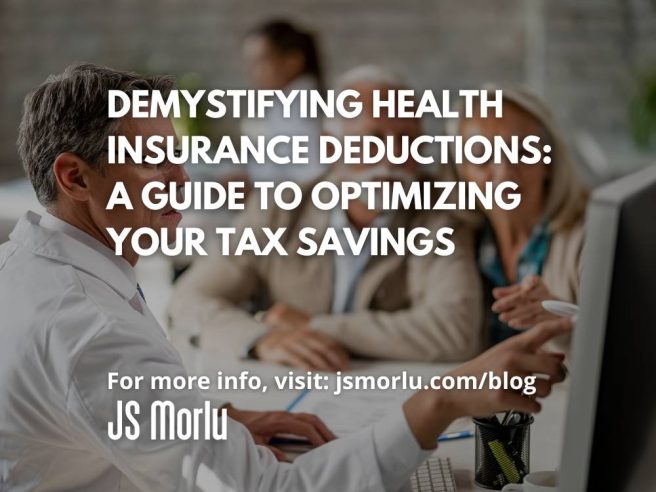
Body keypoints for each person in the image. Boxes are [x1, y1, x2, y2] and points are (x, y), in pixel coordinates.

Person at [0, 63, 571, 491]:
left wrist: (213, 419)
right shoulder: (93, 332)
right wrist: (441, 400)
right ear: (75, 177)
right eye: (153, 157)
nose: (182, 178)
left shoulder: (31, 267)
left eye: (179, 153)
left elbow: (451, 328)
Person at [170, 65, 484, 367]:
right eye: (372, 140)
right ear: (331, 147)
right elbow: (189, 300)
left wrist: (313, 326)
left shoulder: (441, 210)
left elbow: (454, 330)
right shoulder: (279, 210)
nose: (392, 157)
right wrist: (261, 339)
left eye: (407, 140)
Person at [450, 86, 589, 348]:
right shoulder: (464, 236)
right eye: (481, 155)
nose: (503, 173)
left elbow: (626, 346)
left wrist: (560, 321)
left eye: (523, 152)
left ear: (549, 163)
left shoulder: (591, 236)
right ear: (463, 171)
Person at [241, 19, 325, 184]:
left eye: (261, 61)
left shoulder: (304, 107)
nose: (253, 72)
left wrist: (252, 186)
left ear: (293, 61)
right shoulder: (286, 103)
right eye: (250, 64)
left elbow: (311, 176)